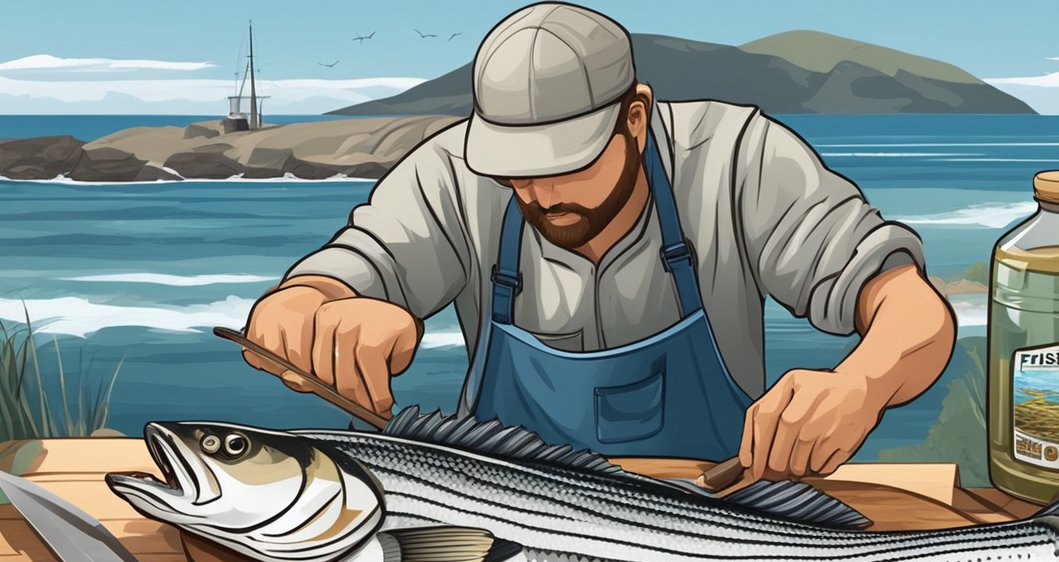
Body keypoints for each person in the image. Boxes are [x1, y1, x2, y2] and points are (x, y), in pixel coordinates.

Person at [243, 2, 954, 481]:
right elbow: (293, 305)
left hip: (714, 514)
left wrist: (861, 385)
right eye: (515, 168)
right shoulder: (452, 173)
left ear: (635, 118)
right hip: (504, 524)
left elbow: (914, 312)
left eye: (566, 160)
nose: (539, 192)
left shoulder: (737, 159)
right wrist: (314, 316)